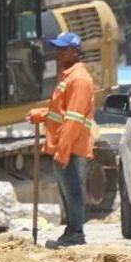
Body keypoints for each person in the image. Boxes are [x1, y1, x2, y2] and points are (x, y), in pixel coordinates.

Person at [27, 31, 96, 248]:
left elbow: (73, 119)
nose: (58, 53)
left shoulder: (79, 79)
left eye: (63, 49)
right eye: (57, 49)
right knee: (67, 190)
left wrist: (63, 150)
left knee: (72, 190)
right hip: (64, 144)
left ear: (75, 51)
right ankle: (71, 232)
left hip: (72, 146)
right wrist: (42, 114)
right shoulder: (68, 76)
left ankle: (76, 233)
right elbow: (61, 112)